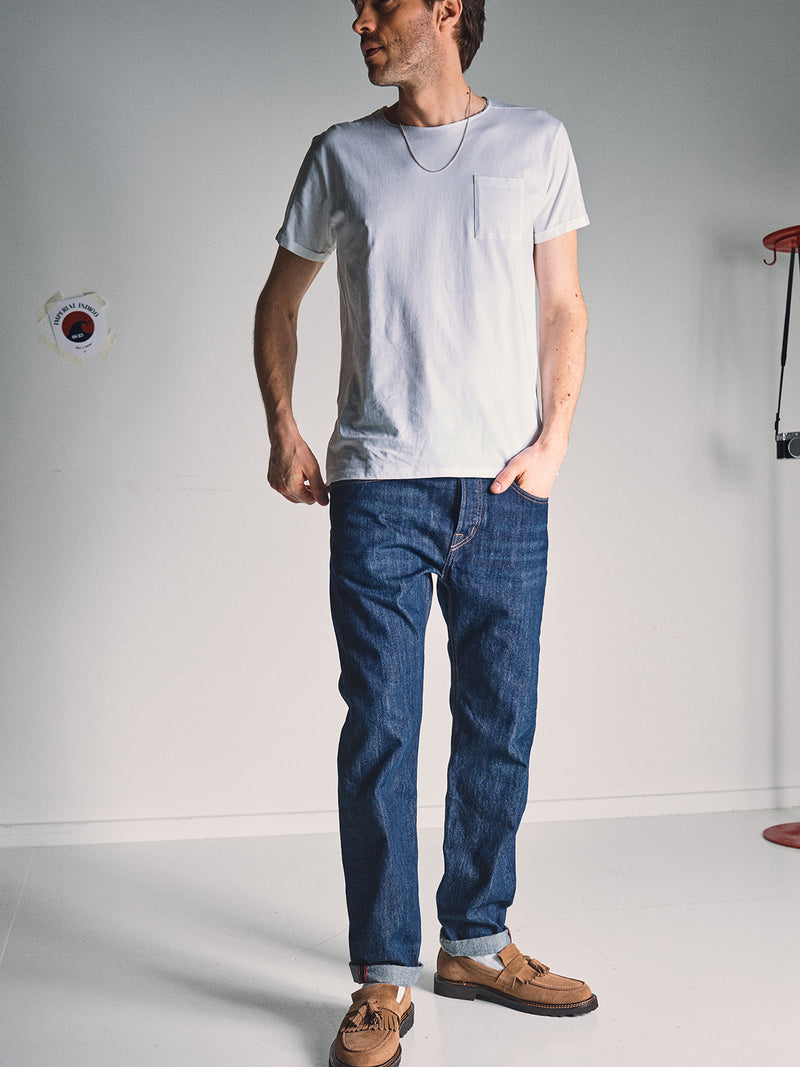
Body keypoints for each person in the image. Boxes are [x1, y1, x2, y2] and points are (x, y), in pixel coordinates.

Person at [254, 1, 596, 1063]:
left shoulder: (535, 143)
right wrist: (282, 425)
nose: (357, 19)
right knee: (384, 729)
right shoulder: (341, 154)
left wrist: (553, 440)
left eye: (380, 2)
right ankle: (385, 974)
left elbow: (562, 307)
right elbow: (277, 301)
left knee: (501, 717)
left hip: (502, 487)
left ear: (444, 11)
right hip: (377, 486)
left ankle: (476, 940)